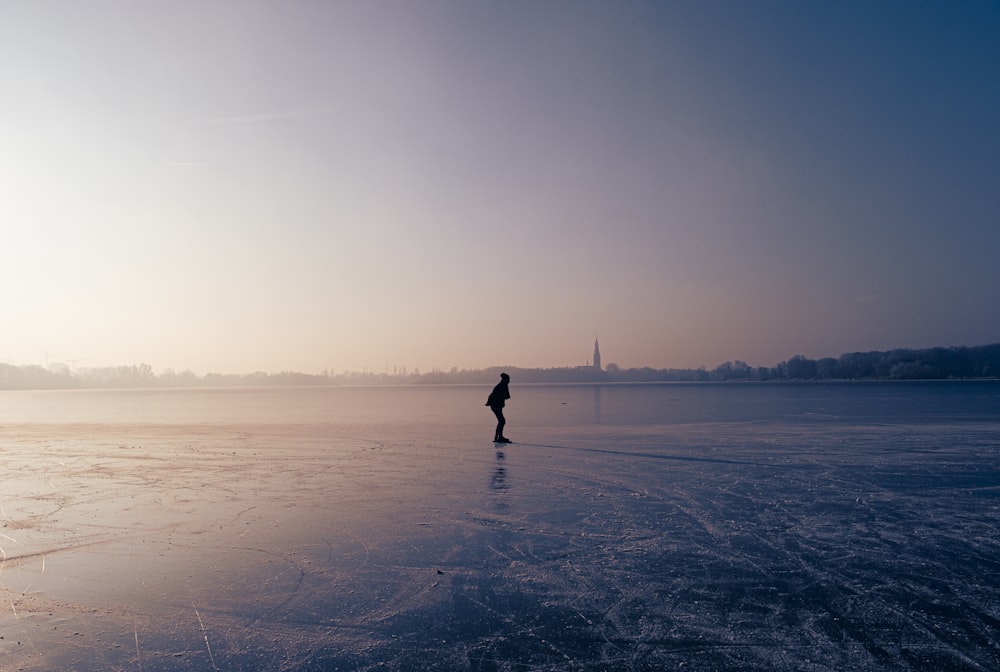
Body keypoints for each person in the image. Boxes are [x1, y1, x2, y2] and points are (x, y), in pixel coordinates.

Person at [485, 372, 511, 443]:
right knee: (502, 421)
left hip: (496, 406)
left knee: (501, 421)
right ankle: (498, 437)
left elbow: (506, 396)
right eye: (508, 379)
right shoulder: (501, 386)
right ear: (505, 379)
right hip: (496, 406)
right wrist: (489, 402)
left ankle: (498, 437)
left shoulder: (502, 385)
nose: (509, 381)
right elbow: (506, 396)